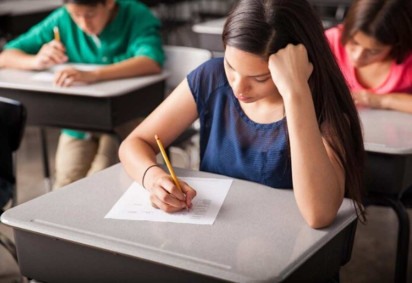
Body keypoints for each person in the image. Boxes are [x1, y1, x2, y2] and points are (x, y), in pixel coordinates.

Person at [119, 0, 366, 232]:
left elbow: (318, 215)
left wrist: (295, 92)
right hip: (215, 241)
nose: (238, 88)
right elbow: (135, 143)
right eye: (231, 66)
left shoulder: (321, 106)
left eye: (259, 78)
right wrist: (154, 178)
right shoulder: (211, 78)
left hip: (284, 251)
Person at [0, 0, 164, 189]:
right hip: (79, 122)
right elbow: (6, 55)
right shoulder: (62, 18)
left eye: (90, 15)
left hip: (126, 119)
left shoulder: (135, 14)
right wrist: (36, 61)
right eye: (76, 16)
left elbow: (150, 61)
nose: (84, 24)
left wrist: (94, 74)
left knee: (101, 179)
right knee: (64, 183)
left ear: (109, 3)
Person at [325, 0, 412, 113]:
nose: (357, 57)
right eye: (354, 42)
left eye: (373, 51)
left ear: (395, 46)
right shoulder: (330, 42)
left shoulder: (408, 60)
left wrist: (380, 100)